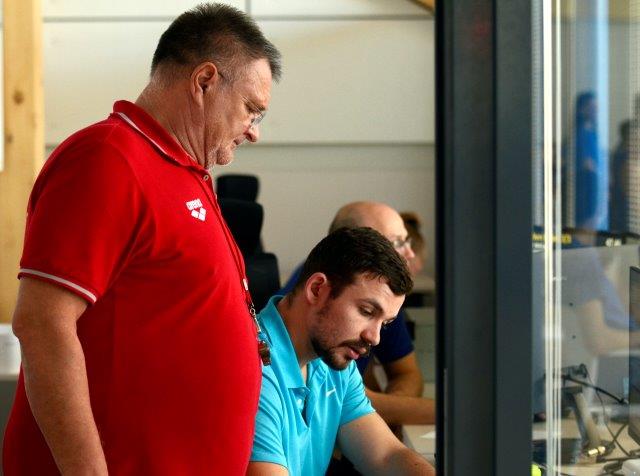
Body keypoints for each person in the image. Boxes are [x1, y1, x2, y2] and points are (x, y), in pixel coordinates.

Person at [4, 4, 281, 475]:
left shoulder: (182, 170)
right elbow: (42, 323)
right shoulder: (108, 159)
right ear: (204, 81)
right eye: (251, 109)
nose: (253, 131)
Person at [248, 227, 435, 476]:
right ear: (317, 289)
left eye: (384, 323)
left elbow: (386, 455)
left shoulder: (332, 357)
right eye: (367, 312)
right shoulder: (253, 370)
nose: (375, 337)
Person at [280, 202, 435, 428]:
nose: (409, 253)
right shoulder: (319, 319)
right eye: (397, 243)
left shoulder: (383, 301)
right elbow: (347, 403)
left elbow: (406, 373)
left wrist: (390, 409)